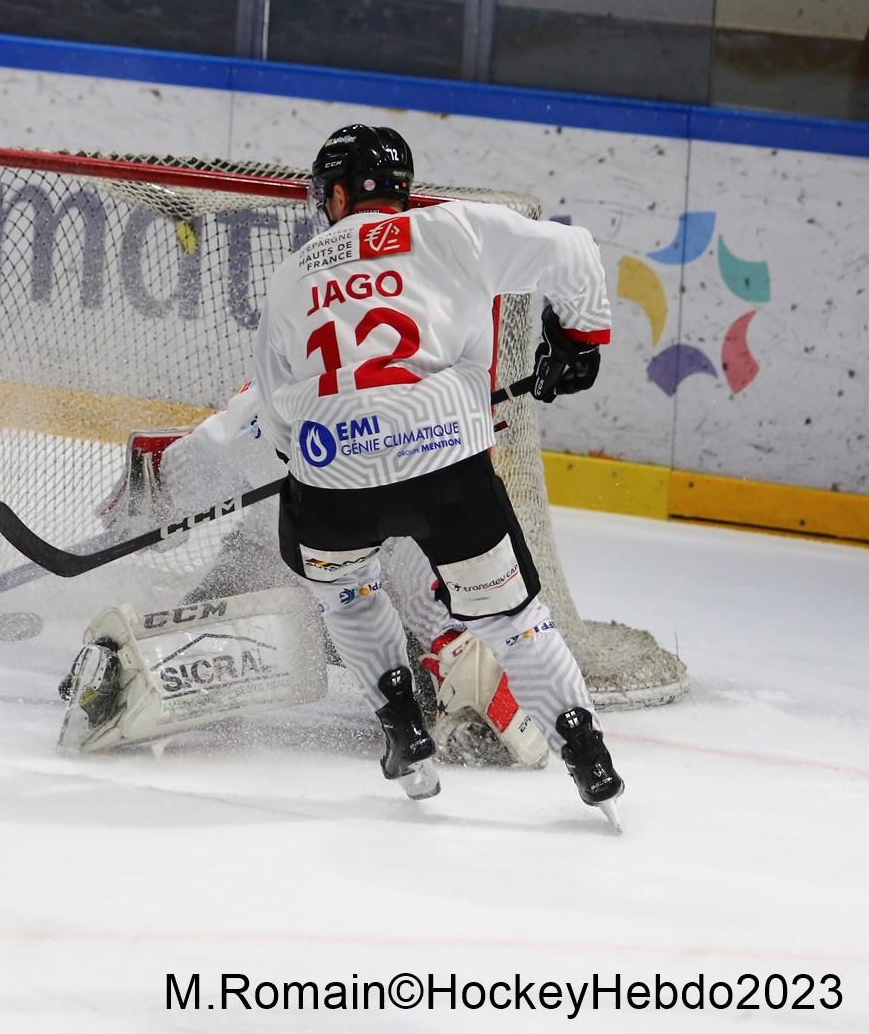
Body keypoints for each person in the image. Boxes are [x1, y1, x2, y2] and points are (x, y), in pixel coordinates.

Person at [250, 123, 621, 818]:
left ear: (338, 195)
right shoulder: (453, 230)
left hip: (330, 481)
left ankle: (402, 727)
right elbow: (575, 251)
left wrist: (323, 455)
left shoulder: (292, 273)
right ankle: (587, 755)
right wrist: (578, 341)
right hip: (446, 465)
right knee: (512, 620)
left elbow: (275, 415)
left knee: (347, 593)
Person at [72, 382, 549, 769]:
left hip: (363, 603)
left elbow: (429, 576)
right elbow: (170, 471)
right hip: (273, 571)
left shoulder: (419, 435)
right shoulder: (265, 406)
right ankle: (118, 668)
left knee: (435, 675)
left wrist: (457, 647)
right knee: (179, 657)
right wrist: (145, 504)